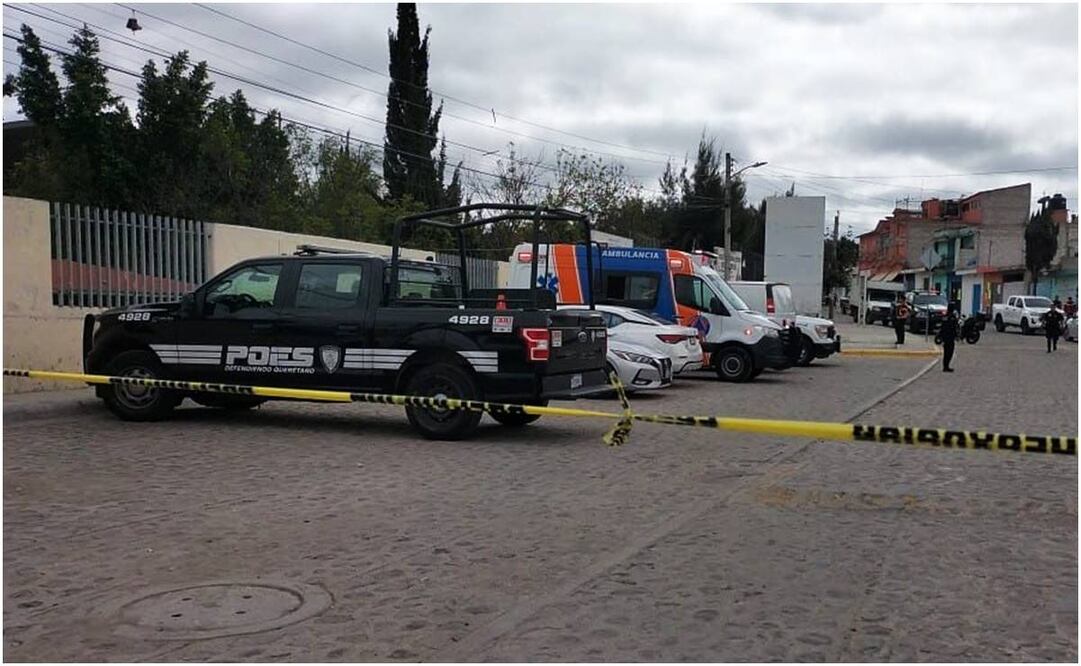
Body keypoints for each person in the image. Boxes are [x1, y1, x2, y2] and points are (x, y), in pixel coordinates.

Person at [939, 303, 958, 372]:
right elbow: (954, 328)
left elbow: (942, 327)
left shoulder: (945, 316)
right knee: (949, 353)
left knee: (946, 353)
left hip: (945, 337)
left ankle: (946, 366)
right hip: (950, 337)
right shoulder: (952, 317)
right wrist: (956, 336)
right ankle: (946, 367)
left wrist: (940, 336)